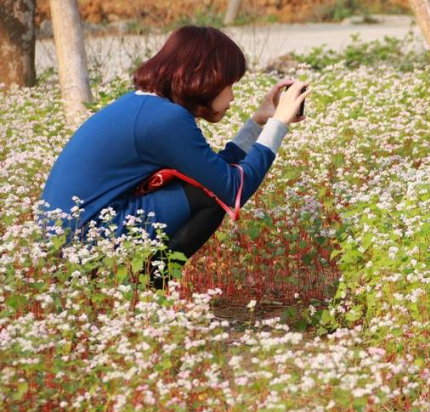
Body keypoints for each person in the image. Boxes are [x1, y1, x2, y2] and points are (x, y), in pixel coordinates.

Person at [39, 25, 311, 289]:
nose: (232, 96)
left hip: (65, 237)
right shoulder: (167, 119)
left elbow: (214, 173)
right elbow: (233, 190)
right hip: (83, 240)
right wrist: (278, 125)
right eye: (229, 84)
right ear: (208, 78)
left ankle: (141, 285)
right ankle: (151, 287)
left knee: (206, 189)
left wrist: (258, 122)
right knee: (211, 199)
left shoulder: (148, 105)